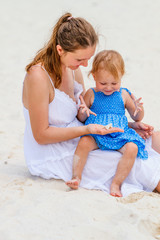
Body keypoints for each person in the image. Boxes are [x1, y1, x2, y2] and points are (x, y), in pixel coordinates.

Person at [22, 12, 160, 197]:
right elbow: (41, 136)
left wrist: (127, 125)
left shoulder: (73, 69)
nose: (86, 64)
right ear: (60, 50)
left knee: (155, 138)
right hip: (56, 150)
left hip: (86, 132)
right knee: (140, 163)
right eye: (80, 59)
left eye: (89, 58)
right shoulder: (38, 76)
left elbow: (91, 112)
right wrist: (89, 131)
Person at [66, 50, 149, 197]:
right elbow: (81, 119)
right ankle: (76, 177)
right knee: (84, 142)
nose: (109, 87)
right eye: (103, 83)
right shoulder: (91, 93)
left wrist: (138, 109)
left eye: (114, 83)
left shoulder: (123, 94)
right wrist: (83, 111)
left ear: (121, 77)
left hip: (119, 135)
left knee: (132, 148)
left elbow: (137, 118)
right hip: (97, 134)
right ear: (94, 76)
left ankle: (116, 184)